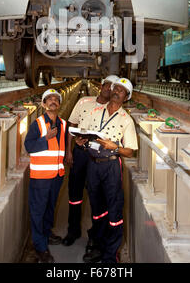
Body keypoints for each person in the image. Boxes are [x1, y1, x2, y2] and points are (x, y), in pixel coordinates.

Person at [79, 78, 138, 264]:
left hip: (111, 166)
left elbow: (130, 151)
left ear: (126, 97)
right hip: (93, 164)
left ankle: (111, 255)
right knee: (97, 208)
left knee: (113, 211)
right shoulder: (96, 112)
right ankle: (98, 243)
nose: (116, 91)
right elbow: (85, 133)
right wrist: (80, 141)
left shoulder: (126, 120)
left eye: (121, 90)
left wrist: (114, 147)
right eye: (115, 88)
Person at [62, 75, 119, 248]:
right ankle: (73, 230)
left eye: (114, 89)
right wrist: (68, 151)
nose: (110, 90)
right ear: (101, 86)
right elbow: (70, 125)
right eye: (108, 86)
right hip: (80, 154)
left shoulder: (114, 109)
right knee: (75, 193)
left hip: (99, 157)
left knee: (97, 196)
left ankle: (95, 237)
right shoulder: (84, 101)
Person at [24, 88, 67, 263]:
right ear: (43, 104)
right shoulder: (38, 124)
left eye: (56, 99)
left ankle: (47, 234)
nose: (52, 101)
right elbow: (29, 146)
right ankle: (40, 247)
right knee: (38, 211)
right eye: (49, 99)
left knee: (50, 208)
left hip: (57, 175)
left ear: (59, 104)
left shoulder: (63, 123)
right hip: (41, 176)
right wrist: (46, 138)